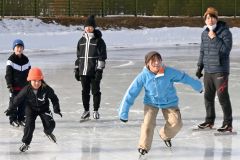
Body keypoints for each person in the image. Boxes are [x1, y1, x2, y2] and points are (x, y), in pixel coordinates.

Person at [118, 51, 203, 155]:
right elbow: (131, 93)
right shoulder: (143, 76)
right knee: (147, 124)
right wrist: (123, 112)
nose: (157, 63)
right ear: (147, 63)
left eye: (159, 60)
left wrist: (198, 86)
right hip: (151, 103)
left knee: (177, 123)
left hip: (169, 102)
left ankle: (165, 135)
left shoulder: (168, 72)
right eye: (153, 61)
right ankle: (143, 147)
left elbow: (184, 77)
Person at [5, 67, 62, 152]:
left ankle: (48, 132)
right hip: (30, 109)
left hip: (44, 108)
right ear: (30, 80)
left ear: (41, 80)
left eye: (39, 80)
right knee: (29, 126)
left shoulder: (46, 88)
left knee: (51, 124)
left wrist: (56, 108)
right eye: (34, 80)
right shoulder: (26, 90)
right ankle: (26, 143)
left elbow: (54, 98)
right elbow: (17, 99)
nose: (36, 83)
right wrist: (11, 109)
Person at [196, 7, 233, 132]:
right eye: (207, 18)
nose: (209, 20)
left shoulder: (225, 32)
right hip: (208, 70)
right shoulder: (204, 33)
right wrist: (199, 66)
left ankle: (228, 124)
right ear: (205, 20)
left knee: (222, 97)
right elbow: (202, 51)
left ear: (216, 18)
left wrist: (215, 38)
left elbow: (226, 51)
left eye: (212, 17)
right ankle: (209, 121)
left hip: (220, 70)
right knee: (208, 97)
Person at [74, 15, 107, 120]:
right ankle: (86, 111)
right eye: (87, 26)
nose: (88, 28)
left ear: (94, 27)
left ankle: (96, 111)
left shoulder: (99, 41)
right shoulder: (81, 41)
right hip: (83, 71)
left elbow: (102, 57)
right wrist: (76, 69)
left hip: (94, 71)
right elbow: (79, 57)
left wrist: (99, 70)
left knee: (95, 91)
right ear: (84, 27)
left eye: (91, 26)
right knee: (85, 91)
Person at [5, 39, 31, 127]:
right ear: (13, 49)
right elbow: (8, 74)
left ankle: (21, 119)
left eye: (21, 47)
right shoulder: (10, 60)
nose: (19, 49)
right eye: (17, 47)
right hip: (14, 87)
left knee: (23, 104)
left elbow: (29, 73)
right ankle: (13, 119)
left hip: (24, 87)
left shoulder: (26, 59)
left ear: (23, 48)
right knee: (13, 103)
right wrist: (9, 85)